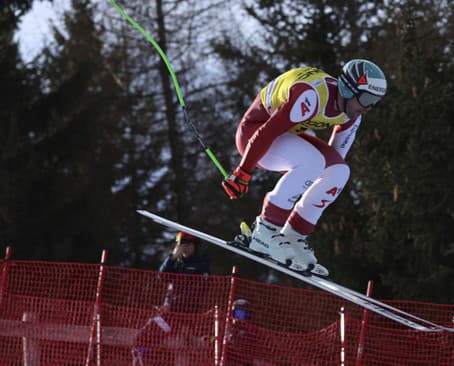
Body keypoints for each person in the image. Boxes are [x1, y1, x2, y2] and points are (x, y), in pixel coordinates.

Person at [221, 59, 387, 277]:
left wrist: (314, 193)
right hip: (254, 134)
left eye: (374, 101)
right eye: (366, 98)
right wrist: (243, 172)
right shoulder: (312, 95)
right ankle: (266, 230)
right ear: (348, 89)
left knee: (339, 171)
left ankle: (294, 235)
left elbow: (334, 162)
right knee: (313, 162)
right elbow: (267, 132)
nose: (368, 107)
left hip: (288, 136)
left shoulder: (352, 113)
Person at [132, 231, 210, 365]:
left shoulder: (200, 266)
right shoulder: (176, 263)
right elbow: (162, 276)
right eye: (181, 244)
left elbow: (196, 294)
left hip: (181, 317)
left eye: (188, 244)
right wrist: (172, 257)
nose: (184, 247)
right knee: (143, 340)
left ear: (195, 246)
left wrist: (172, 305)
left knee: (144, 338)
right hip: (169, 315)